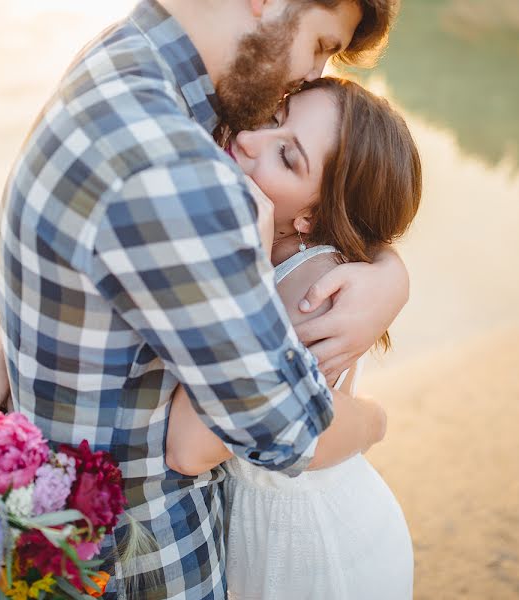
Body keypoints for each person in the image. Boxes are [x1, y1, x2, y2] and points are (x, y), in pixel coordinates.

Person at [0, 1, 407, 598]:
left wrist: (388, 270)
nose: (314, 73)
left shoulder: (123, 62)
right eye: (321, 45)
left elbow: (94, 241)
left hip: (74, 535)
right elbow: (282, 428)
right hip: (140, 561)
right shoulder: (181, 168)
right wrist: (375, 418)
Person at [165, 76, 421, 599]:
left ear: (311, 217)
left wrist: (244, 274)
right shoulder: (270, 241)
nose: (249, 139)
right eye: (276, 116)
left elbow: (192, 446)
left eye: (288, 157)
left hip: (313, 550)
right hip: (272, 530)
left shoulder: (313, 293)